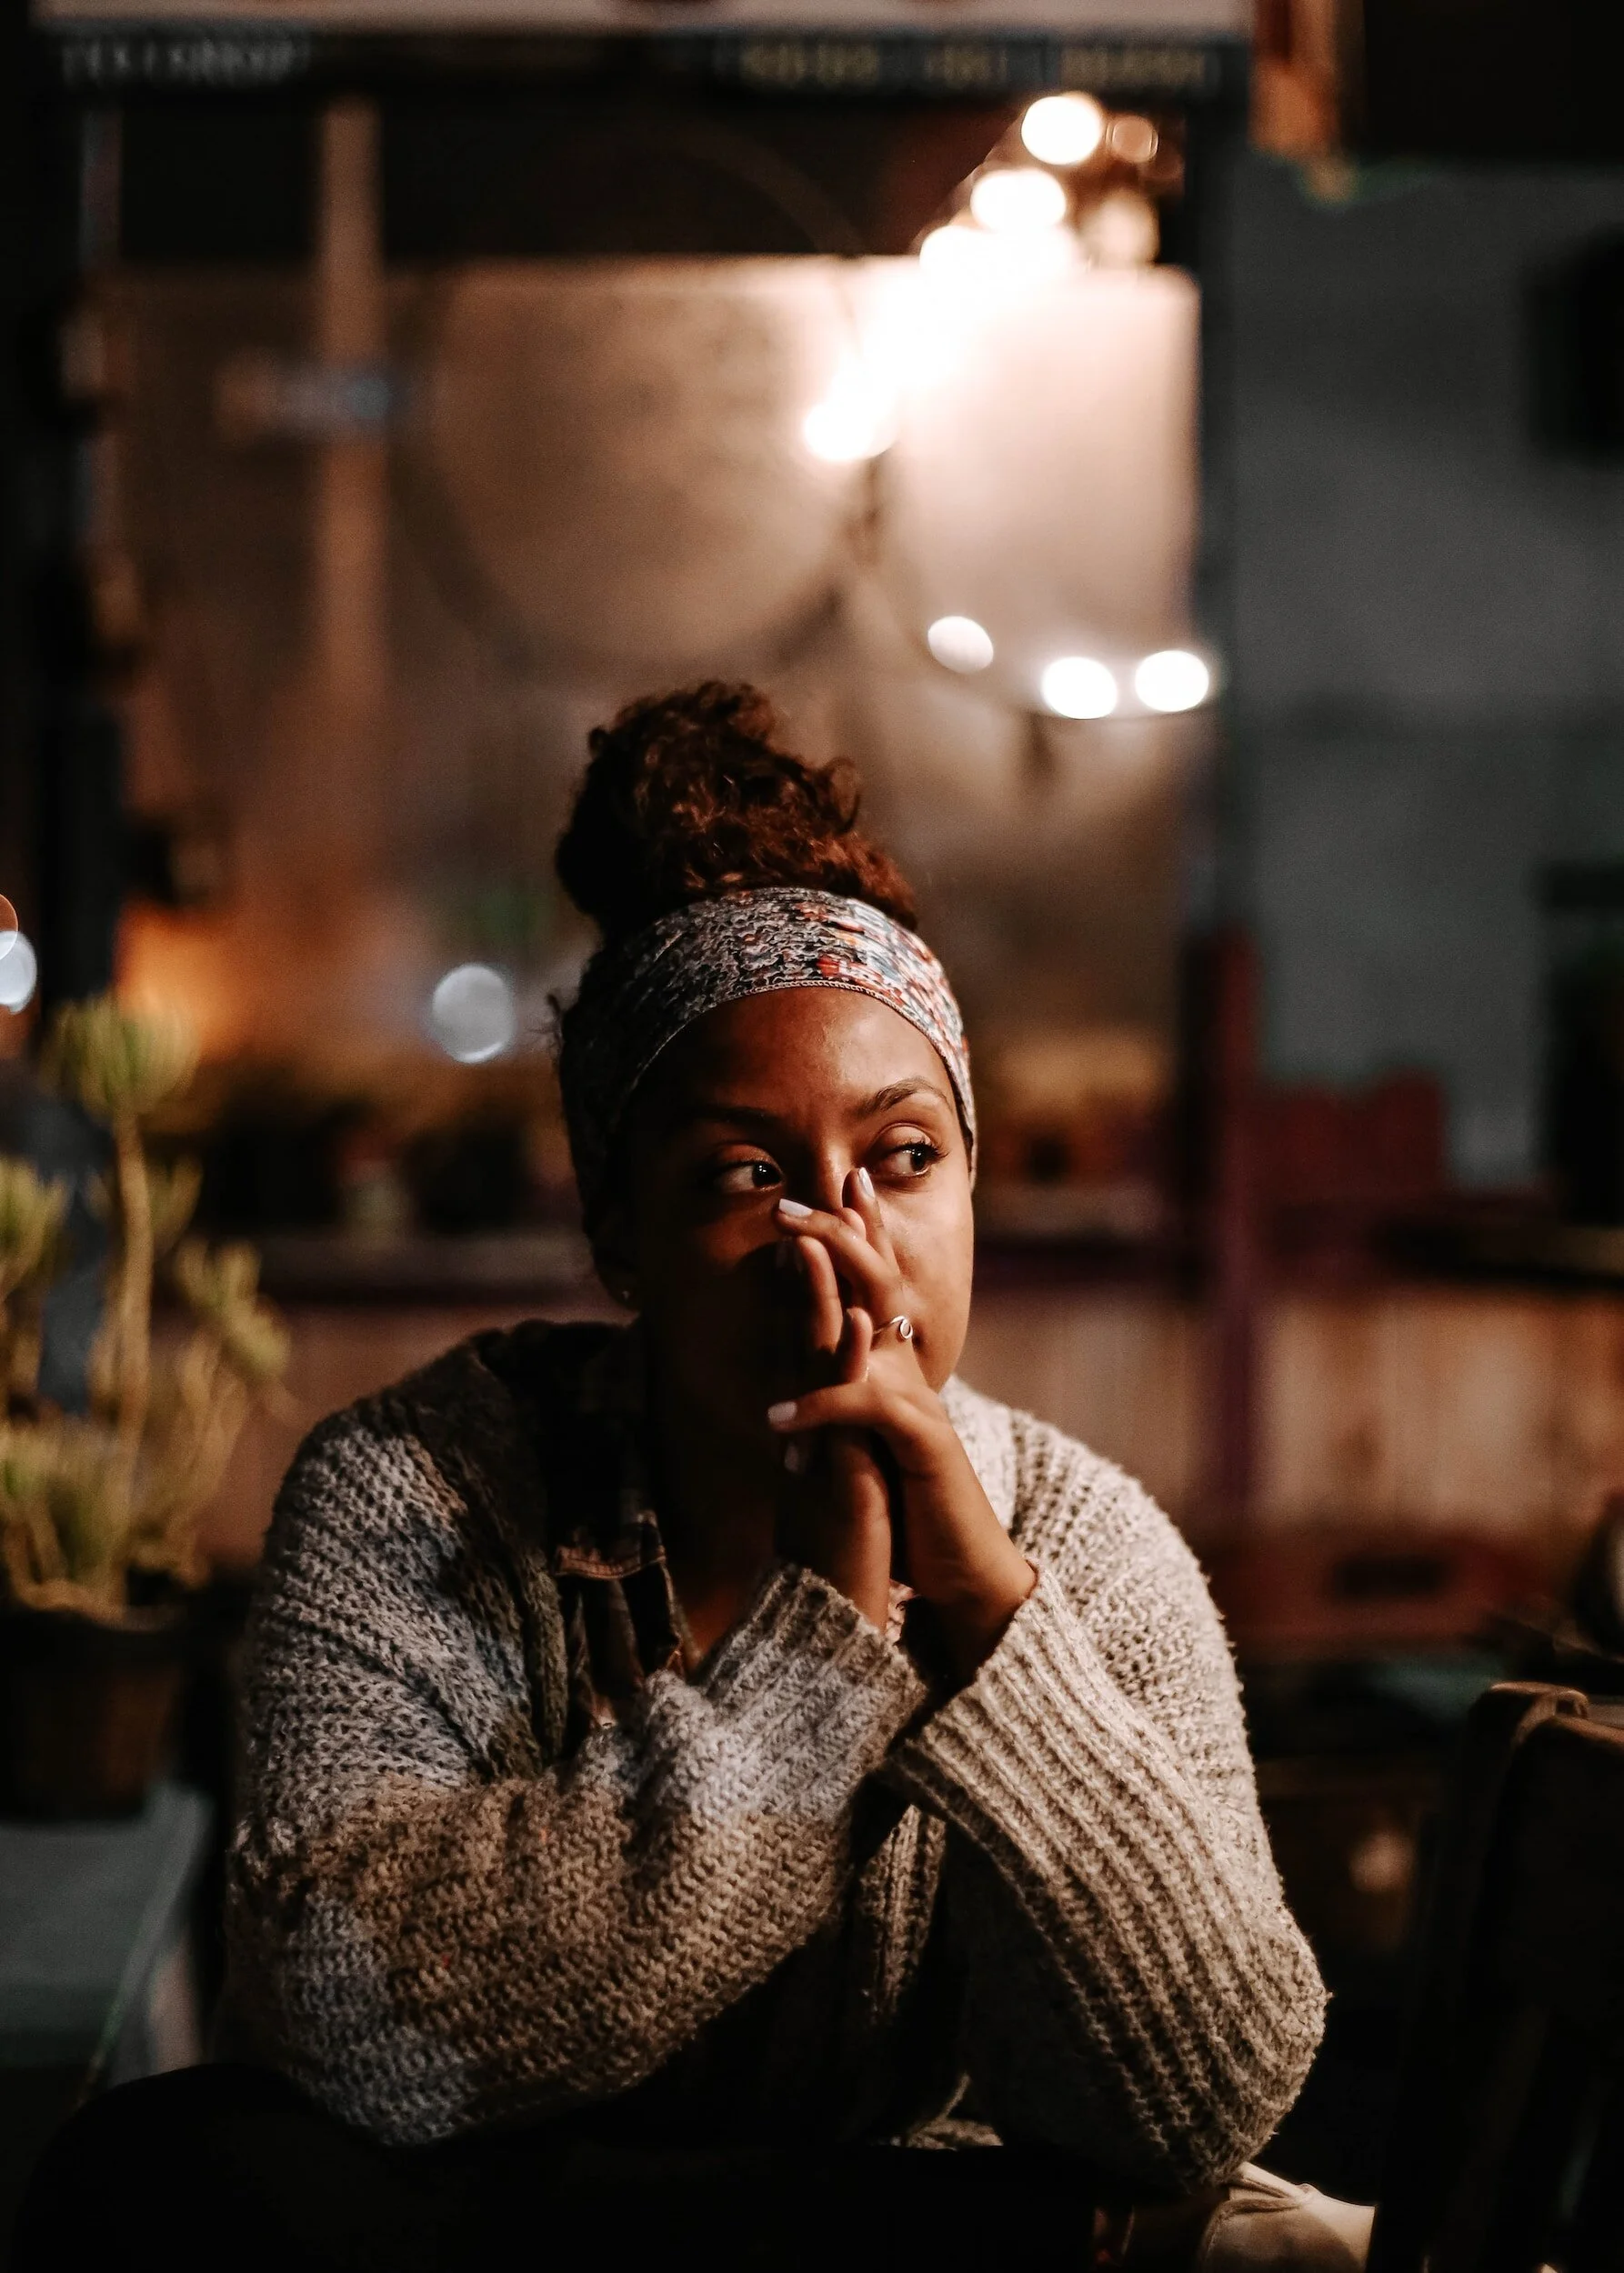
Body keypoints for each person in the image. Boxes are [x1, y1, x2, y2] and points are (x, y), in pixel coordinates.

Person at [15, 685, 1353, 2271]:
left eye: (904, 1158)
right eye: (747, 1175)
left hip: (781, 2231)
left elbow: (1199, 2100)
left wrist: (989, 1616)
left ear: (972, 1185)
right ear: (619, 1236)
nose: (842, 1241)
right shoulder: (418, 1493)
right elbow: (343, 2023)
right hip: (615, 2239)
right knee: (169, 2172)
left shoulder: (1083, 1539)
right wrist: (822, 1653)